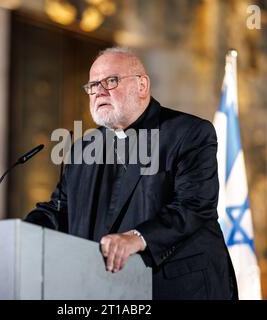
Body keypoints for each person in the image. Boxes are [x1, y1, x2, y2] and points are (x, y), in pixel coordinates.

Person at [25, 47, 238, 300]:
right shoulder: (84, 148)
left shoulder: (189, 133)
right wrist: (20, 233)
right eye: (93, 85)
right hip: (107, 290)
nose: (99, 91)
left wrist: (138, 238)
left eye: (111, 81)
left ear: (142, 85)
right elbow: (60, 210)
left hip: (179, 288)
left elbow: (193, 206)